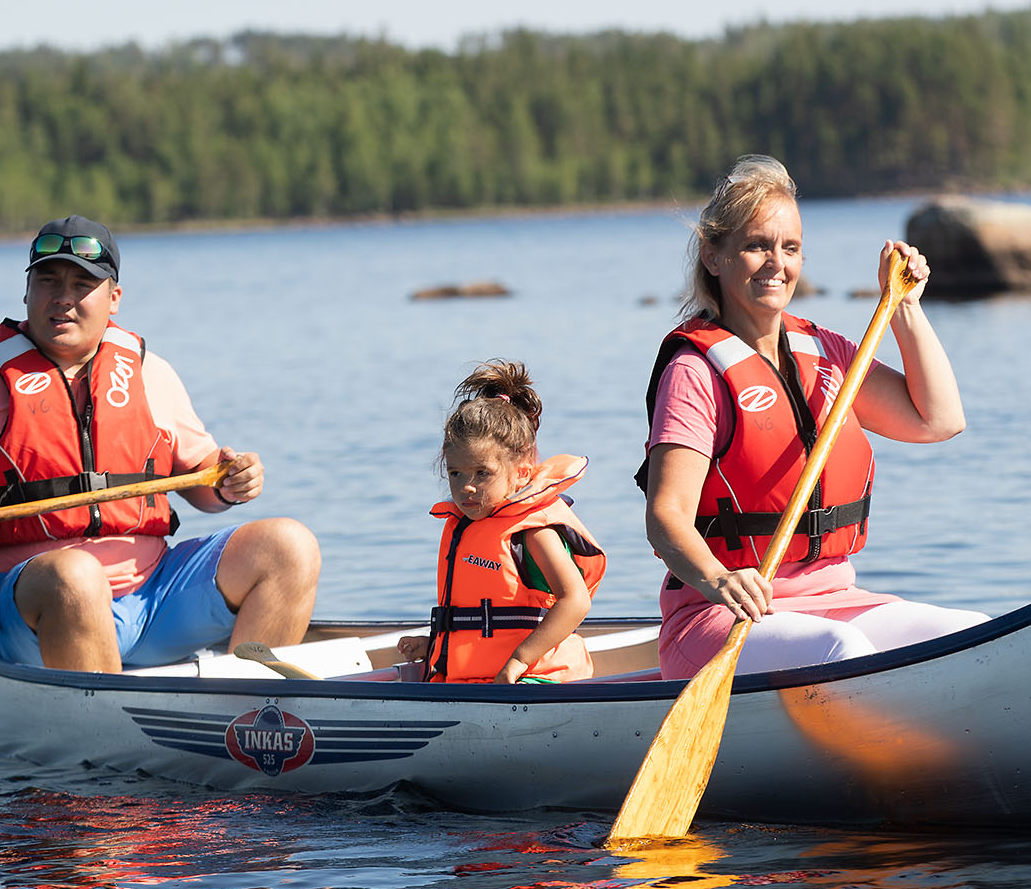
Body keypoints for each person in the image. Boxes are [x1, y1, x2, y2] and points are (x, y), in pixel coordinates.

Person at [0, 215, 320, 673]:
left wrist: (231, 481)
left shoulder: (150, 375)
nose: (63, 298)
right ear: (27, 292)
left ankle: (249, 715)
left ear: (114, 299)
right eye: (48, 281)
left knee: (290, 546)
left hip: (153, 599)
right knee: (77, 575)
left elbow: (204, 483)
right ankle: (110, 727)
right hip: (33, 609)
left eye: (82, 284)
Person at [640, 156, 989, 680]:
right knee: (839, 650)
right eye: (757, 245)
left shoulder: (825, 352)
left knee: (970, 634)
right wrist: (720, 580)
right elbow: (665, 518)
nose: (776, 263)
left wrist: (905, 307)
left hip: (834, 598)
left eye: (790, 247)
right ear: (714, 257)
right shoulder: (695, 372)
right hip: (722, 614)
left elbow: (938, 420)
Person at [398, 361, 606, 684]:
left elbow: (576, 600)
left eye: (482, 473)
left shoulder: (532, 531)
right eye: (456, 473)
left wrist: (519, 660)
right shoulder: (465, 525)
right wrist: (434, 647)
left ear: (521, 472)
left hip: (536, 679)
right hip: (481, 684)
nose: (467, 485)